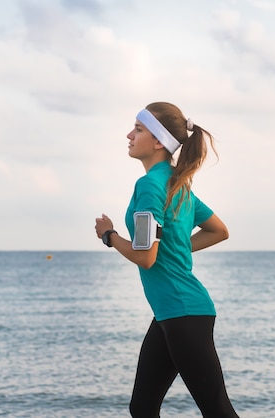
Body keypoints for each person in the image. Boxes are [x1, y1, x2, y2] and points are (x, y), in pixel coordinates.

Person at [95, 102, 240, 418]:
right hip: (172, 313)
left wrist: (110, 236)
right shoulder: (178, 183)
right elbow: (218, 231)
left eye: (138, 129)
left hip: (183, 312)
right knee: (142, 408)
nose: (129, 135)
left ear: (158, 141)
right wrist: (176, 251)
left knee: (217, 410)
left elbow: (146, 257)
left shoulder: (150, 185)